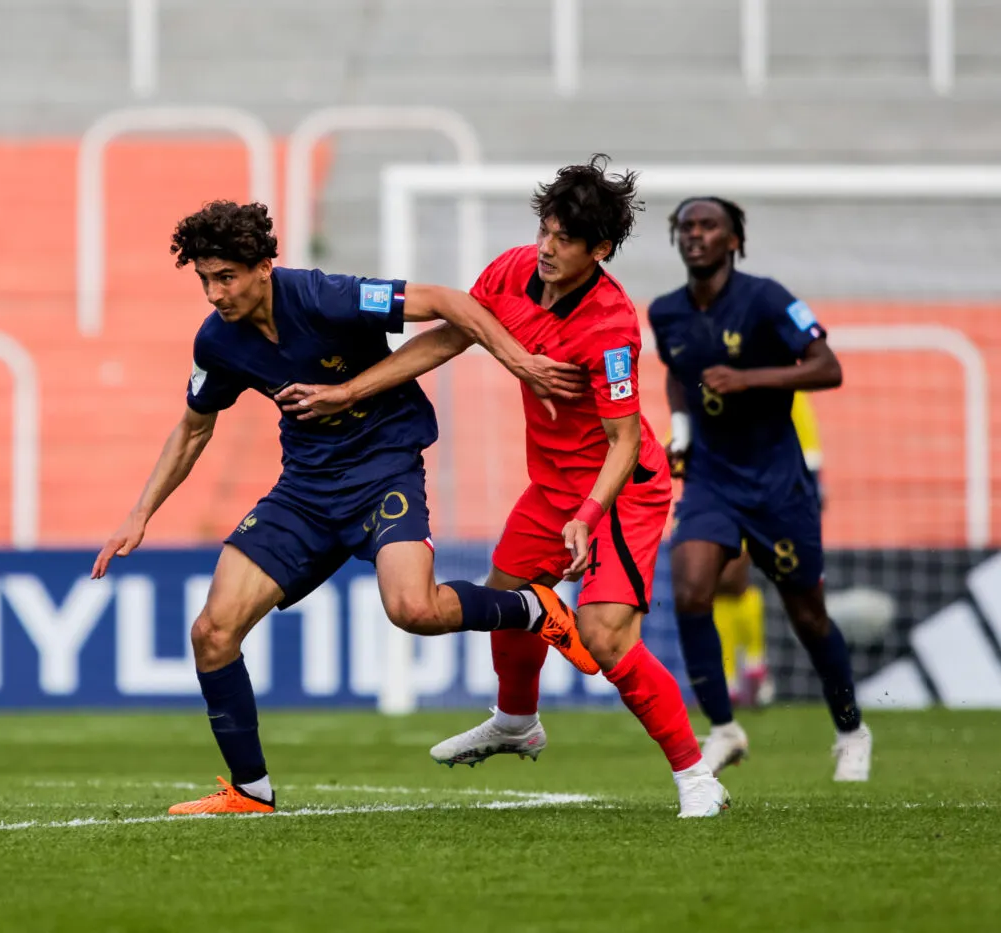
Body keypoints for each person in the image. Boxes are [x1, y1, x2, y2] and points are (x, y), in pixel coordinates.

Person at [92, 200, 599, 816]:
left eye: (225, 277)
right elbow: (193, 429)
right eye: (203, 278)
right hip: (304, 490)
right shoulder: (218, 341)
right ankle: (250, 791)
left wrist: (519, 361)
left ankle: (529, 606)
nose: (213, 293)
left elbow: (445, 301)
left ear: (262, 267)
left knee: (413, 608)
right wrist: (139, 514)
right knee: (212, 633)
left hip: (383, 467)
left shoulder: (325, 297)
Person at [280, 156, 729, 818]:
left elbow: (625, 440)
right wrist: (348, 390)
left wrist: (586, 513)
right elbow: (447, 338)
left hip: (618, 491)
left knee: (604, 638)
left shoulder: (609, 325)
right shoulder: (512, 270)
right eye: (545, 229)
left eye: (565, 239)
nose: (547, 247)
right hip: (551, 488)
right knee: (504, 597)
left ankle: (696, 775)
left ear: (599, 249)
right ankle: (516, 720)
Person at [653, 196, 871, 781]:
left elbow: (829, 367)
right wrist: (680, 432)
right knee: (692, 588)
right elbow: (678, 376)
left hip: (777, 485)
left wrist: (749, 379)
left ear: (733, 241)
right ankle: (724, 730)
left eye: (709, 226)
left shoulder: (768, 298)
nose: (695, 235)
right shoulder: (666, 313)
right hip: (710, 479)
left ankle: (851, 730)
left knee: (809, 617)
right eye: (686, 227)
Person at [711, 393, 823, 709]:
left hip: (766, 493)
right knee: (721, 587)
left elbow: (807, 438)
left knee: (732, 577)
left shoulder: (781, 381)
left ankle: (751, 665)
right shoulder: (708, 375)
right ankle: (737, 675)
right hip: (717, 493)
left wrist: (812, 486)